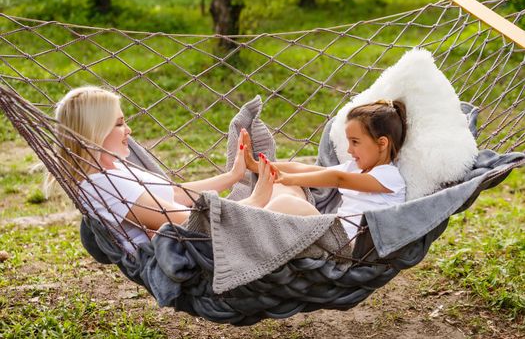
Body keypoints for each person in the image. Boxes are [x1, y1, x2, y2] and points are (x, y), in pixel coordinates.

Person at [52, 86, 284, 253]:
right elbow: (191, 224)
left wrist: (233, 176)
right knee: (288, 202)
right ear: (97, 132)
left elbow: (176, 194)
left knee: (288, 193)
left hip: (214, 233)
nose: (129, 130)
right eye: (120, 123)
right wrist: (255, 201)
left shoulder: (113, 171)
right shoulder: (105, 185)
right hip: (210, 250)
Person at [241, 99, 408, 238]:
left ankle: (246, 235)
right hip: (332, 236)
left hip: (348, 247)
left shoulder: (389, 176)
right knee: (282, 187)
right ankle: (254, 229)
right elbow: (303, 168)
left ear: (382, 143)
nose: (349, 150)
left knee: (287, 201)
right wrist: (256, 165)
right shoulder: (354, 168)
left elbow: (337, 178)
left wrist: (289, 177)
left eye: (355, 142)